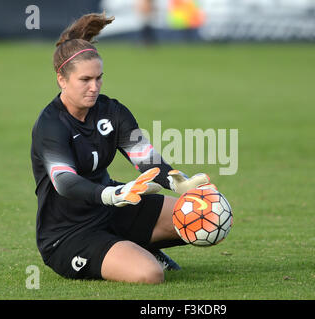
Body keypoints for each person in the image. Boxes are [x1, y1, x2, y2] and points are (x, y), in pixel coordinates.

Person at [30, 13, 215, 284]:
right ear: (61, 79)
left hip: (114, 208)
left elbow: (146, 158)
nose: (94, 87)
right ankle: (136, 253)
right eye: (85, 80)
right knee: (150, 274)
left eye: (99, 78)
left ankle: (135, 246)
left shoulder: (111, 111)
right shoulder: (50, 125)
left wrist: (179, 184)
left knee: (205, 217)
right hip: (69, 234)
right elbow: (64, 182)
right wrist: (111, 193)